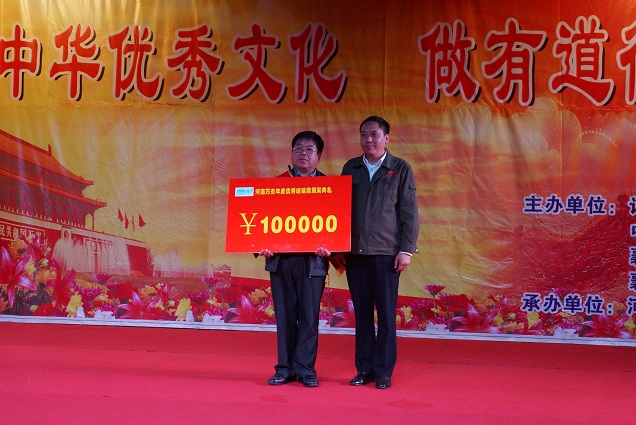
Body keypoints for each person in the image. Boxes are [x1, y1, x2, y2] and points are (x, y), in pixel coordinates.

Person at [328, 115, 419, 389]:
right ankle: (364, 368)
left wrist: (406, 250)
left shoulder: (399, 168)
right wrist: (338, 248)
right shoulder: (351, 167)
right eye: (364, 135)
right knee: (363, 315)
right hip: (355, 254)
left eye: (374, 135)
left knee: (387, 317)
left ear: (386, 138)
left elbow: (409, 213)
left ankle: (383, 371)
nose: (368, 140)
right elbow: (340, 210)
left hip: (386, 254)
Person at [259, 130, 329, 388]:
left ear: (318, 156)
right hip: (282, 261)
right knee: (285, 317)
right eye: (298, 148)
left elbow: (339, 225)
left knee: (309, 317)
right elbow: (262, 223)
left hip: (313, 261)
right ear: (291, 153)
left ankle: (306, 368)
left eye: (309, 149)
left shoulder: (331, 188)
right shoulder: (276, 185)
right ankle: (285, 368)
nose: (303, 153)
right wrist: (262, 246)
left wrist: (331, 247)